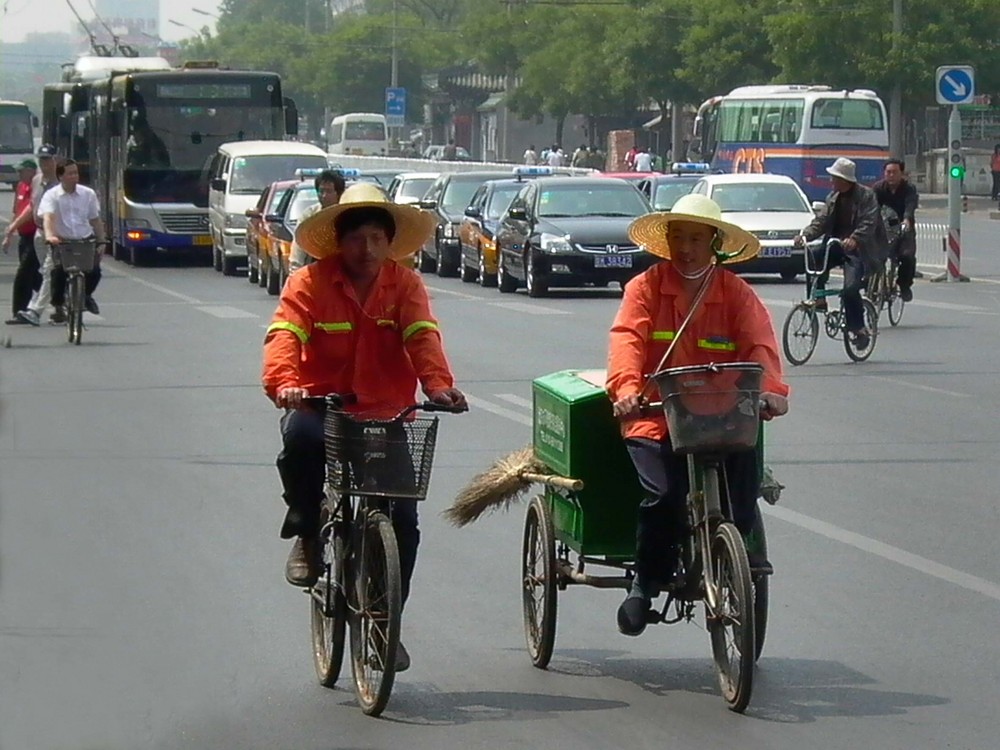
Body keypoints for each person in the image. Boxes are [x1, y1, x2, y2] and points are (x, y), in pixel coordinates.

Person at [262, 183, 467, 669]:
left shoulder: (406, 285)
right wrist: (285, 384)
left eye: (378, 238)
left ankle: (384, 620)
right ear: (340, 241)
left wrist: (437, 386)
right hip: (322, 408)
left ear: (389, 243)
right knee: (298, 443)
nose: (368, 249)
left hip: (384, 413)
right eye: (358, 239)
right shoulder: (308, 284)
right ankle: (309, 533)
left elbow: (423, 337)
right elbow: (283, 336)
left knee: (405, 523)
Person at [607, 193, 789, 636]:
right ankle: (645, 582)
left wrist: (772, 392)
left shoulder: (736, 293)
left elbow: (760, 346)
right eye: (678, 238)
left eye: (695, 238)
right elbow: (627, 341)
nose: (685, 247)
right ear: (666, 242)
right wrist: (627, 389)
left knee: (744, 485)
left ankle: (736, 552)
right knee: (664, 496)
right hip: (656, 416)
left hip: (723, 416)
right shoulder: (645, 288)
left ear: (714, 243)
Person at [794, 157, 881, 350]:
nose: (831, 181)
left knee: (850, 290)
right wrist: (804, 235)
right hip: (835, 245)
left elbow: (869, 222)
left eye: (834, 178)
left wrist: (855, 238)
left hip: (859, 250)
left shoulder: (867, 196)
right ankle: (819, 298)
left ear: (845, 180)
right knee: (813, 255)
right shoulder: (833, 198)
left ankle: (859, 328)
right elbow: (821, 221)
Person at [34, 159, 105, 324]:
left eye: (76, 172)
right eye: (70, 173)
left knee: (94, 271)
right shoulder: (52, 195)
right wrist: (51, 236)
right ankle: (58, 305)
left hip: (84, 241)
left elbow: (95, 220)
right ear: (60, 176)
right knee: (57, 273)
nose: (75, 176)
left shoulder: (88, 194)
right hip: (62, 242)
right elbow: (48, 218)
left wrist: (101, 241)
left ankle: (85, 296)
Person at [12, 145, 63, 326]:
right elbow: (32, 207)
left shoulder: (61, 183)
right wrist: (12, 227)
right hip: (39, 234)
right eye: (41, 160)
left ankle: (35, 310)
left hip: (58, 235)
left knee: (49, 272)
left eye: (47, 160)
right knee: (47, 273)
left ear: (54, 161)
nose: (45, 164)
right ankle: (60, 306)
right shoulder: (36, 181)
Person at [871, 158, 919, 302]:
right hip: (883, 228)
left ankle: (904, 285)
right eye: (888, 172)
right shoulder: (878, 188)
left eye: (894, 172)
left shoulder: (909, 189)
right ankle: (870, 285)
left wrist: (906, 220)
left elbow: (910, 206)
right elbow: (872, 208)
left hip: (903, 226)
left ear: (901, 174)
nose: (891, 175)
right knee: (871, 255)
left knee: (907, 256)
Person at [288, 169, 347, 274]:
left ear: (339, 193)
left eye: (328, 191)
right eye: (321, 191)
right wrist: (294, 273)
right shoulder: (309, 215)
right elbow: (298, 246)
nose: (323, 195)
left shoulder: (348, 215)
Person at [3, 159, 39, 324]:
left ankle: (19, 311)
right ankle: (61, 299)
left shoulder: (36, 187)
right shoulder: (20, 187)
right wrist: (8, 235)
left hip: (35, 235)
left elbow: (31, 211)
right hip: (23, 236)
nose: (18, 174)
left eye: (21, 171)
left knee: (23, 274)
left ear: (31, 171)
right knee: (34, 277)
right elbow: (16, 212)